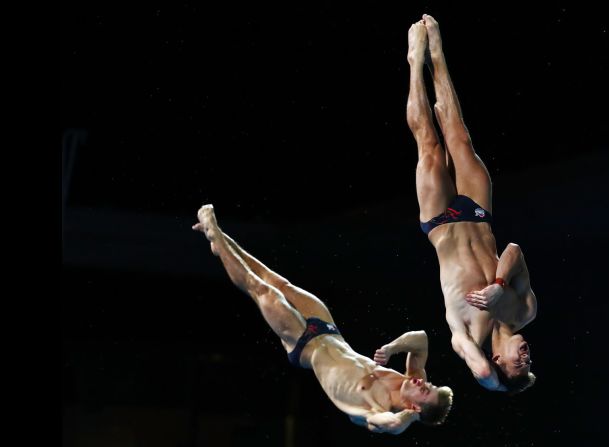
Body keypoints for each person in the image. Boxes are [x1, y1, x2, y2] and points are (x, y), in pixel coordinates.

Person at [192, 204, 453, 433]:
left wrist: (408, 417)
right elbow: (421, 339)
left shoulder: (375, 409)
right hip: (328, 331)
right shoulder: (411, 376)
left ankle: (215, 234)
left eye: (424, 391)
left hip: (304, 346)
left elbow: (392, 425)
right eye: (428, 384)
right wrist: (392, 348)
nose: (422, 382)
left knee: (262, 291)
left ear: (413, 408)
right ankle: (222, 243)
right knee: (279, 283)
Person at [405, 15, 537, 395]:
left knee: (427, 142)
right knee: (457, 134)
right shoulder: (524, 312)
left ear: (498, 363)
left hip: (440, 223)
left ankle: (414, 64)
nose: (526, 358)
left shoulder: (467, 336)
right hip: (478, 213)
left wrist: (495, 383)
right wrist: (498, 285)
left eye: (519, 365)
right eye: (529, 362)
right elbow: (514, 251)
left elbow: (477, 370)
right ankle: (438, 54)